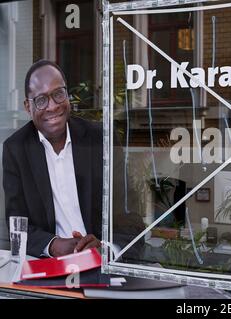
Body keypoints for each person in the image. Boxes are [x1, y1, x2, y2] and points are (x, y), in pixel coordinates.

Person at [2, 60, 143, 258]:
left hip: (103, 266)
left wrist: (105, 249)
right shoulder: (16, 149)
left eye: (58, 94)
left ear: (67, 95)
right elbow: (16, 224)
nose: (52, 107)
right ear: (28, 106)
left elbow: (131, 221)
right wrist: (52, 245)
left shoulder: (100, 140)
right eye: (41, 100)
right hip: (50, 267)